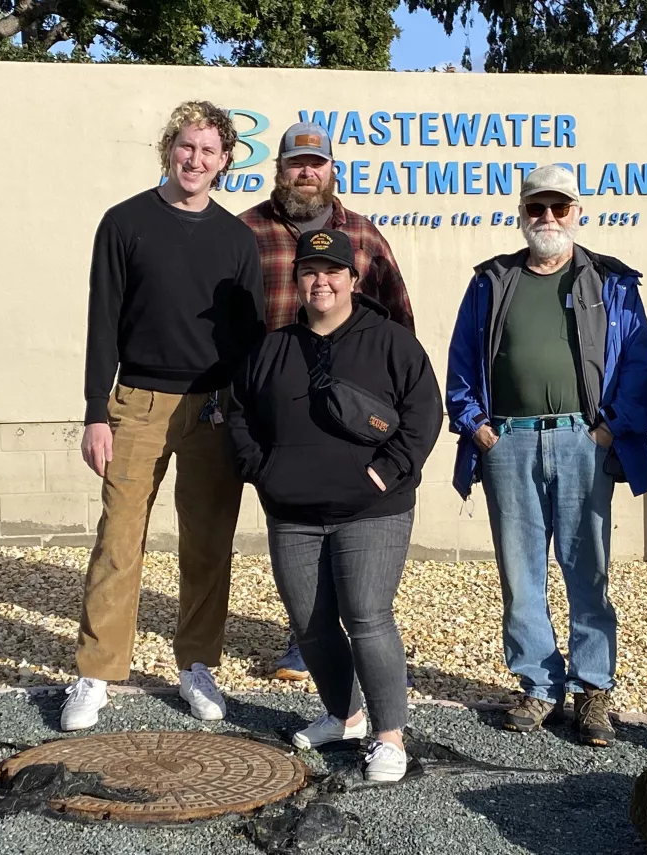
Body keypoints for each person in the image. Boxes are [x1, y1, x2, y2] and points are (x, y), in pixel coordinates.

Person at [61, 100, 266, 732]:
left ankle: (197, 665)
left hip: (211, 407)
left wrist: (246, 416)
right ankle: (96, 672)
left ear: (225, 161)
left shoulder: (237, 240)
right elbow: (103, 322)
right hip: (137, 404)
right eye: (186, 147)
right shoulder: (124, 224)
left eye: (209, 151)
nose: (195, 160)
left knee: (207, 545)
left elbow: (249, 339)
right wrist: (98, 410)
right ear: (168, 149)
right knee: (119, 541)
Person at [445, 164, 647, 746]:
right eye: (537, 208)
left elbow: (639, 365)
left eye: (559, 208)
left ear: (577, 213)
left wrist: (611, 431)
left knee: (587, 568)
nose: (547, 218)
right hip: (507, 442)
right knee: (520, 573)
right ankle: (539, 687)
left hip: (582, 441)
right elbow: (463, 360)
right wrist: (478, 428)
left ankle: (593, 690)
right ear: (521, 214)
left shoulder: (611, 283)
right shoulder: (491, 281)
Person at [228, 228, 443, 782]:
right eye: (309, 271)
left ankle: (389, 735)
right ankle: (345, 716)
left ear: (353, 279)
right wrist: (262, 472)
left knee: (367, 617)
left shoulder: (392, 342)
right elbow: (239, 413)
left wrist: (384, 473)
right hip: (293, 513)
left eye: (331, 271)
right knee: (310, 625)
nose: (319, 281)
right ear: (297, 280)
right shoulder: (274, 346)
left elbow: (424, 415)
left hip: (373, 510)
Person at [239, 121, 417, 681]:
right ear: (281, 169)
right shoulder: (246, 232)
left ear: (332, 168)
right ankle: (307, 640)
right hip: (275, 408)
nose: (307, 172)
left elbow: (398, 317)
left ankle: (356, 655)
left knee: (354, 533)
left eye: (317, 162)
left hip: (349, 416)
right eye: (297, 162)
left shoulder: (363, 236)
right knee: (297, 531)